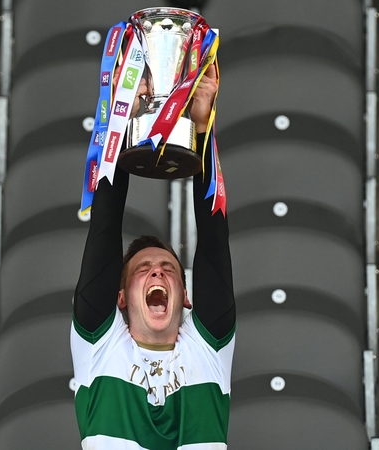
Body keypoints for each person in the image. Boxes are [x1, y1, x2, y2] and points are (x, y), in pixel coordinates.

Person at [71, 64, 236, 449]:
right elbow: (105, 229)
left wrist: (201, 126)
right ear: (121, 297)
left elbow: (214, 241)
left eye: (168, 270)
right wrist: (122, 116)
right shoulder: (99, 345)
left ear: (188, 297)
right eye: (142, 270)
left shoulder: (207, 348)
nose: (158, 274)